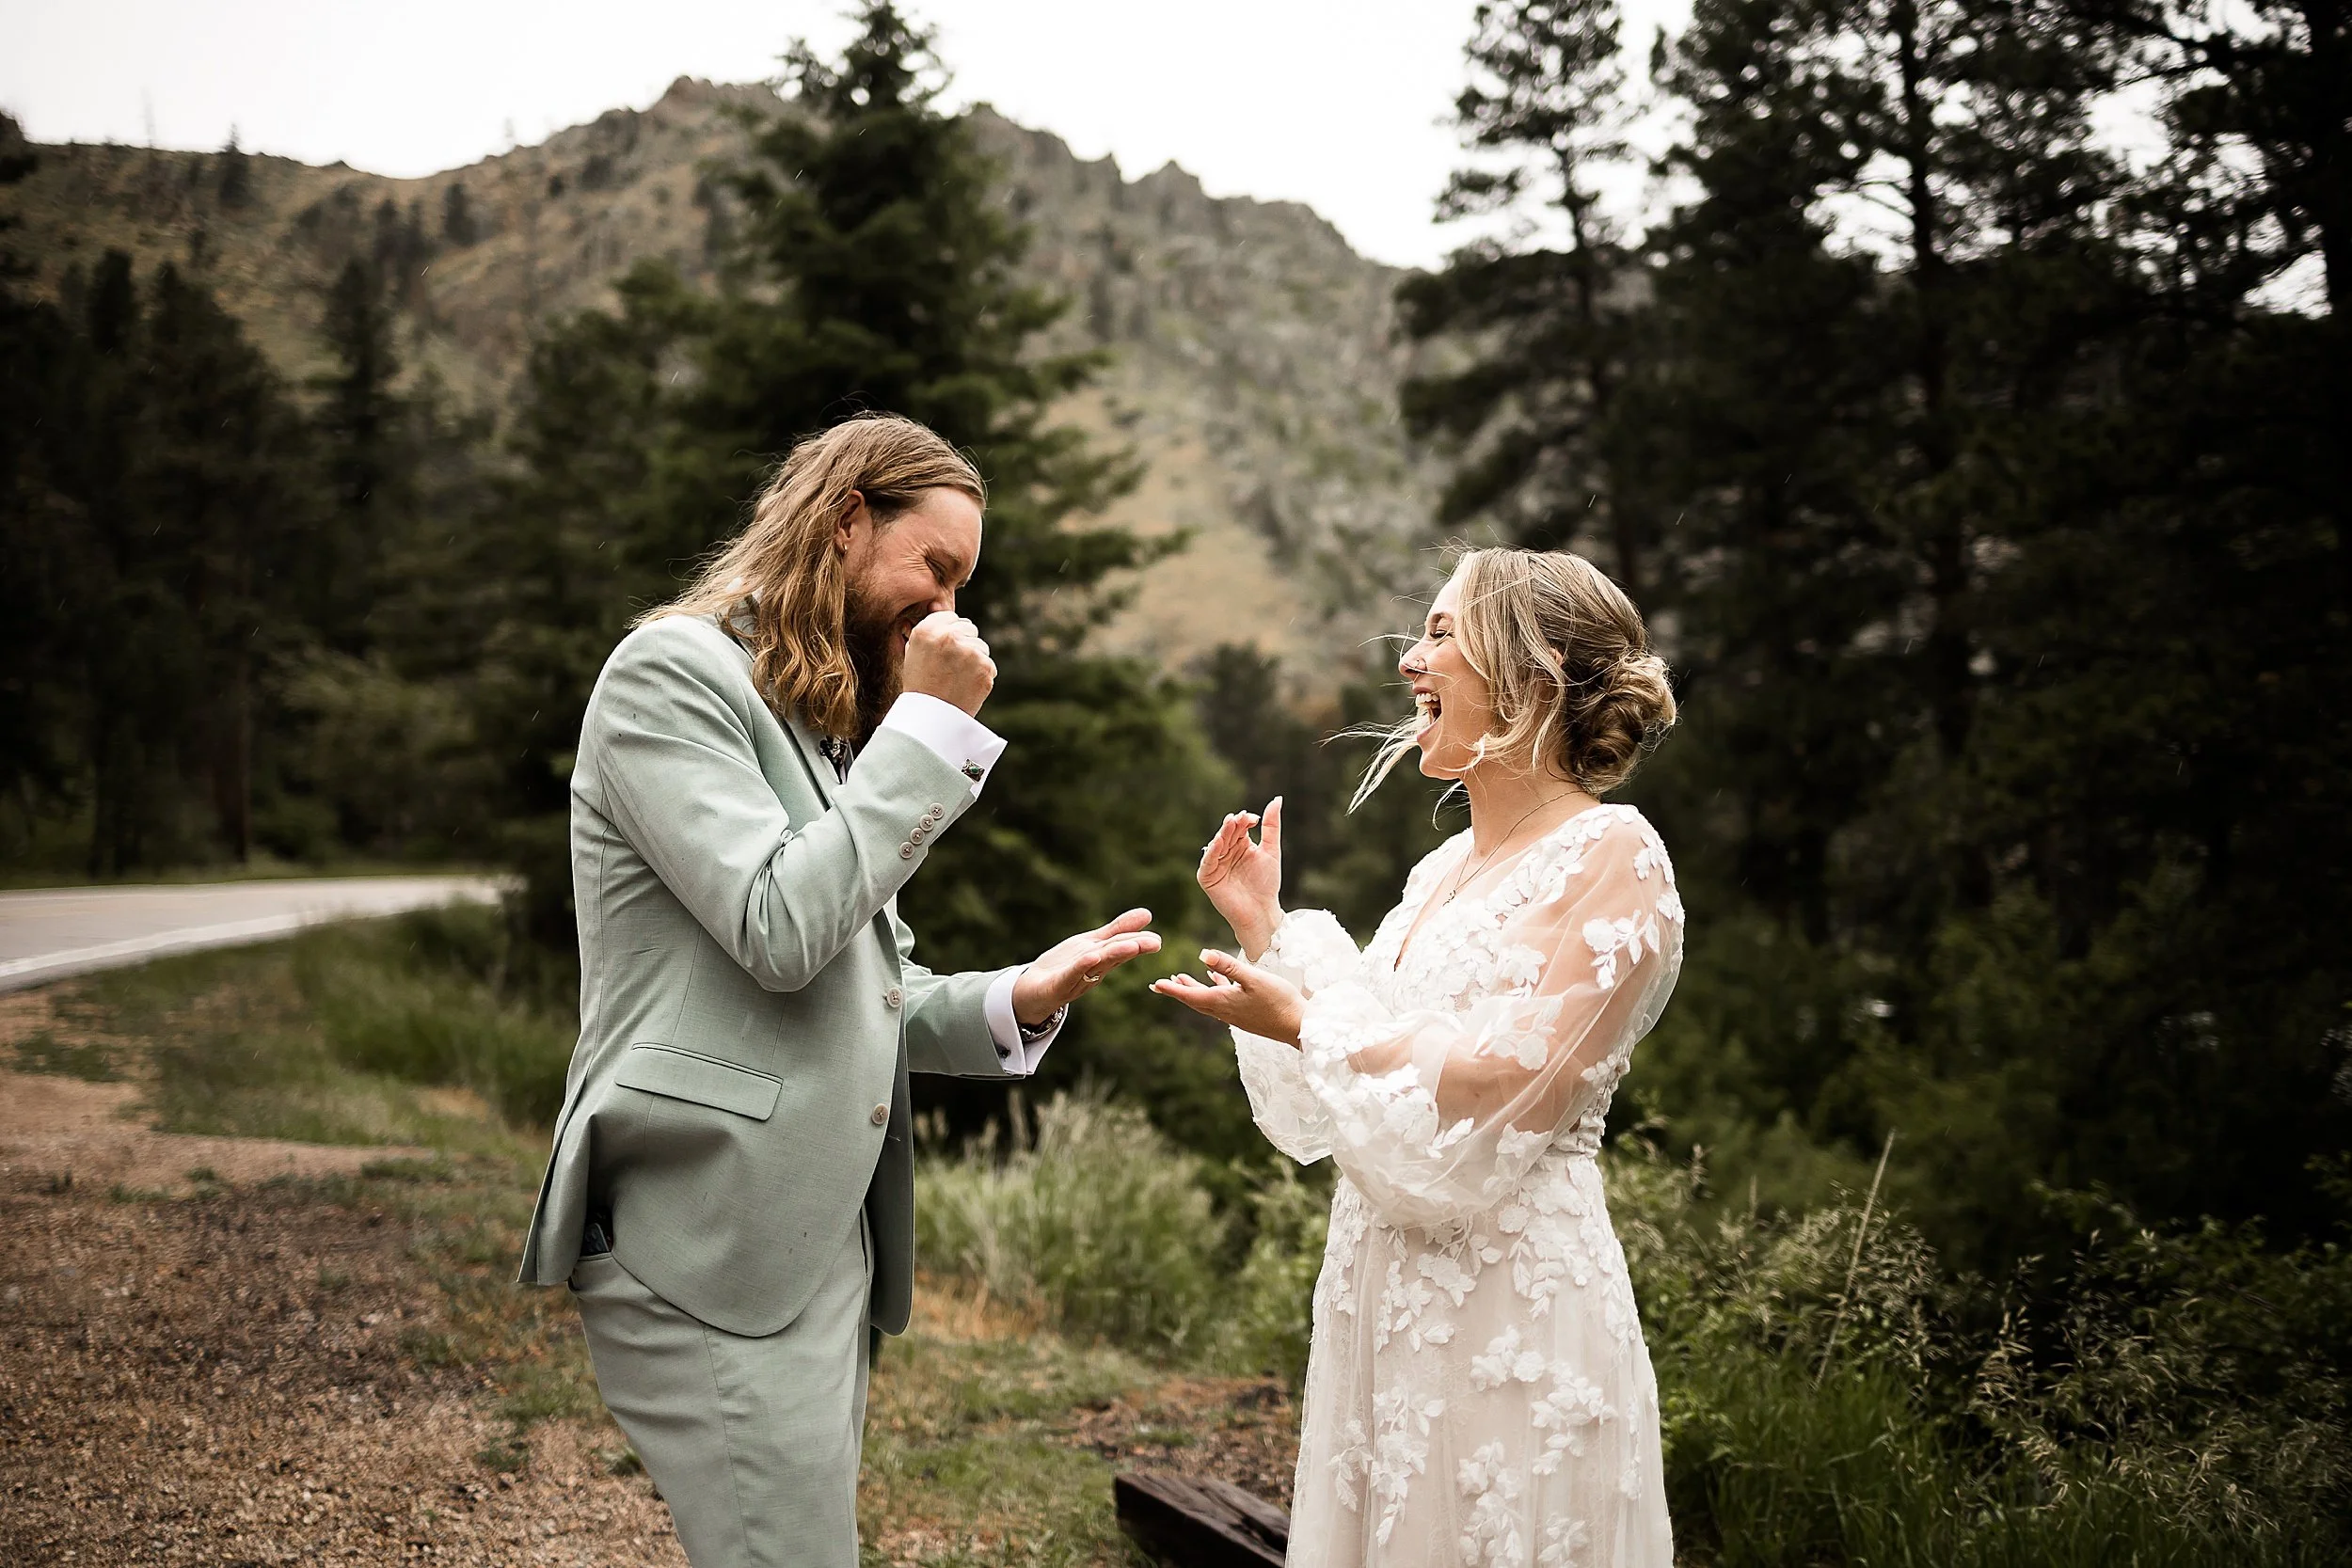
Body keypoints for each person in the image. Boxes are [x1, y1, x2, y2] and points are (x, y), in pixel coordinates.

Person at [516, 413, 1161, 1568]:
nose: (950, 610)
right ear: (845, 518)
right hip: (708, 1225)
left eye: (964, 584)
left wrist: (1018, 993)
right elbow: (779, 923)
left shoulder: (817, 727)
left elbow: (870, 987)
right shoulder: (669, 673)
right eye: (937, 569)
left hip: (817, 1242)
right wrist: (926, 727)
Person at [1155, 546, 1683, 1566]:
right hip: (1383, 1297)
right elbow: (1376, 1041)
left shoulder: (1614, 853)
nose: (1409, 662)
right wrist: (1270, 931)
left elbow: (1515, 1076)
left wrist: (1310, 1024)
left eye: (1441, 633)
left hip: (1514, 1305)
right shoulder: (1441, 868)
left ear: (1530, 675)